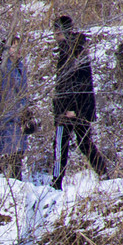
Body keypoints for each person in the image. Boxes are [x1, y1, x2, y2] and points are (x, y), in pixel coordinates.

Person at [50, 15, 108, 189]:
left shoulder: (72, 51)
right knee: (84, 143)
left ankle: (56, 182)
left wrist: (71, 109)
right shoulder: (76, 49)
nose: (55, 35)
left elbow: (78, 83)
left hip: (70, 110)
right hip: (79, 108)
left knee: (62, 144)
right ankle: (103, 172)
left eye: (57, 31)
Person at [0, 34, 33, 180]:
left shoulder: (21, 67)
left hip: (20, 117)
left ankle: (15, 183)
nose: (18, 50)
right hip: (7, 117)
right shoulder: (1, 69)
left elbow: (25, 92)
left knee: (17, 154)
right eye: (14, 47)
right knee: (8, 153)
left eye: (19, 46)